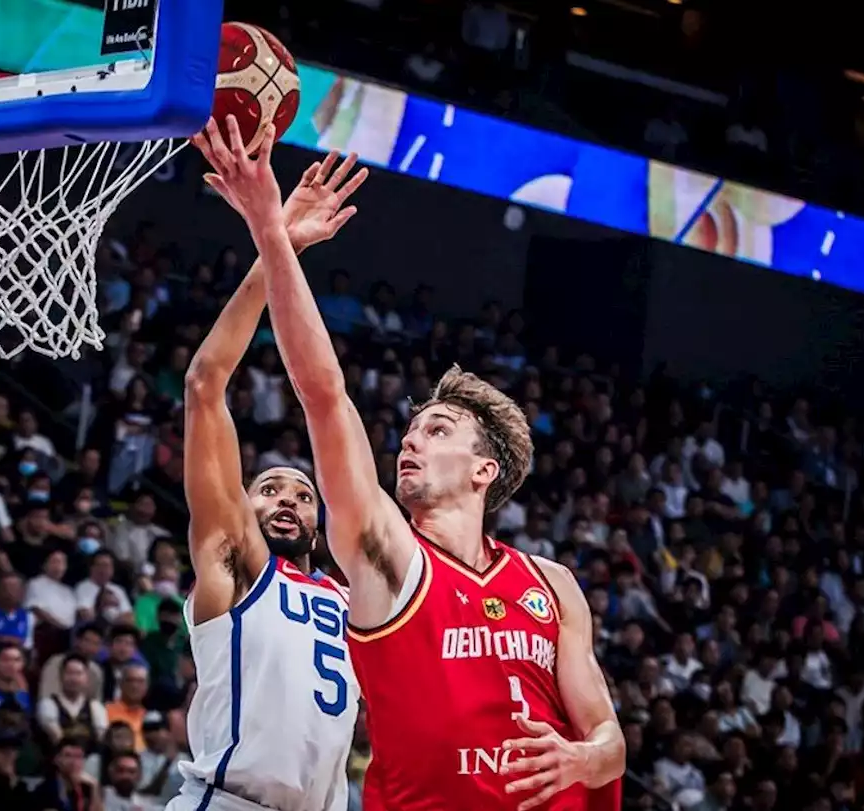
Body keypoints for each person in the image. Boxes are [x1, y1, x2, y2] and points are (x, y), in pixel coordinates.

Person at [193, 116, 626, 810]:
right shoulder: (388, 557)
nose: (410, 441)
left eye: (438, 428)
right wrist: (272, 232)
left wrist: (583, 754)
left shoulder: (553, 584)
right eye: (411, 429)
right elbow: (325, 395)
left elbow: (610, 742)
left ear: (485, 469)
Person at [166, 143, 368, 811]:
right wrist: (277, 242)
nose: (288, 499)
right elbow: (204, 384)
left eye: (303, 494)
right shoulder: (236, 563)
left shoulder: (353, 598)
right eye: (270, 488)